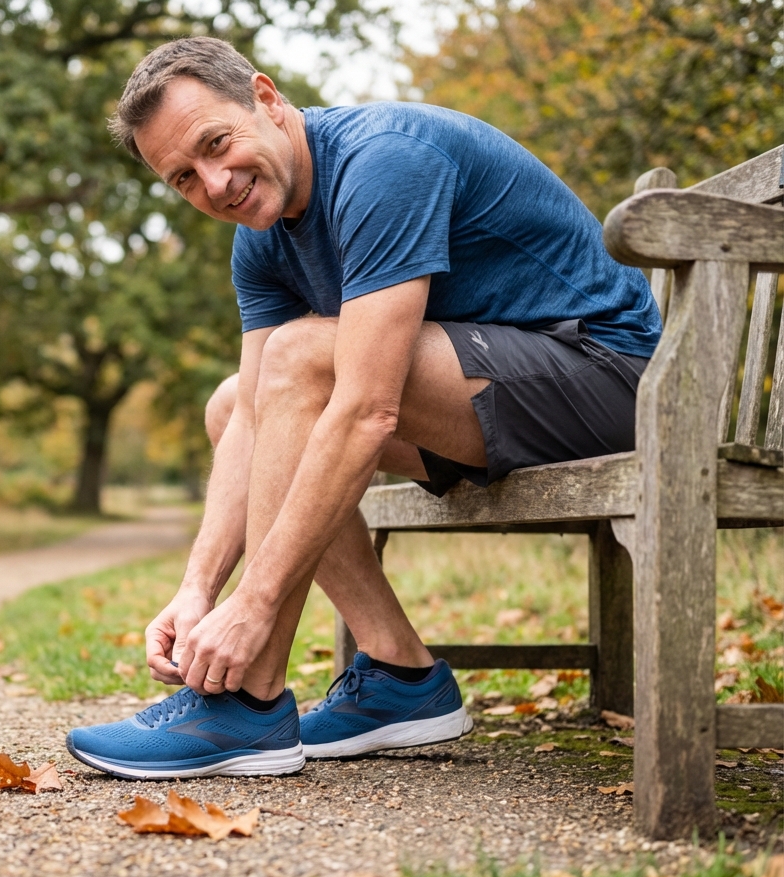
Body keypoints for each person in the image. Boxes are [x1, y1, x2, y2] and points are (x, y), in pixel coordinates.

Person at [66, 37, 660, 779]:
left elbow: (367, 409)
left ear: (268, 98)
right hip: (490, 401)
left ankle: (246, 705)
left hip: (615, 381)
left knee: (303, 359)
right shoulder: (262, 242)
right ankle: (401, 675)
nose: (215, 184)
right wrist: (197, 591)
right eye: (184, 177)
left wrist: (252, 604)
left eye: (216, 144)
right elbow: (253, 418)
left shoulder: (383, 160)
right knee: (231, 401)